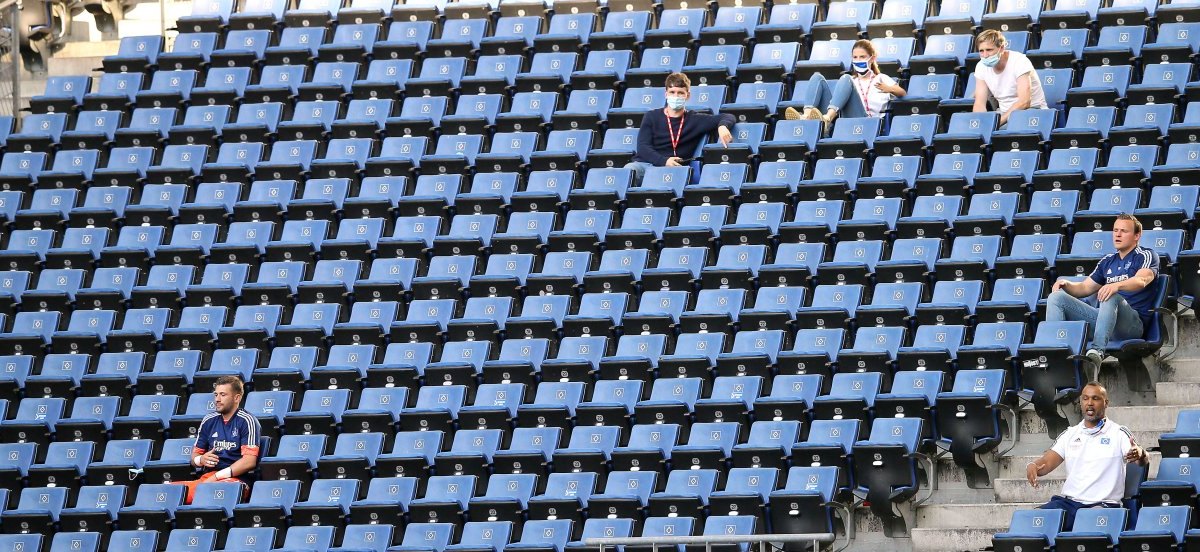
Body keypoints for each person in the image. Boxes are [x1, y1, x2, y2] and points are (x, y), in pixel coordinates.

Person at [1026, 382, 1148, 529]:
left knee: (1086, 528)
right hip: (1069, 504)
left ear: (1105, 403)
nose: (1089, 403)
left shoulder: (1119, 433)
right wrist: (1033, 466)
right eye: (1085, 398)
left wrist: (1140, 454)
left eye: (1095, 398)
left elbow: (1142, 460)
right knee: (1033, 522)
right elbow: (1046, 462)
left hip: (1103, 505)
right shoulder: (1070, 433)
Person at [1047, 214, 1160, 365]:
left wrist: (1116, 285)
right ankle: (1056, 353)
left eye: (1124, 231)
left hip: (1132, 326)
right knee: (1057, 298)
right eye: (1115, 230)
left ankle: (1097, 352)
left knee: (1111, 295)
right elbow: (1085, 288)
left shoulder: (1146, 255)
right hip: (1104, 323)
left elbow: (1142, 280)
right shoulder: (1107, 261)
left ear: (1137, 235)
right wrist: (1067, 284)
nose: (1118, 234)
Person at [626, 72, 735, 184]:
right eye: (672, 92)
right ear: (666, 94)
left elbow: (728, 116)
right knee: (629, 170)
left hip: (675, 169)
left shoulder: (695, 119)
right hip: (648, 165)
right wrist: (664, 161)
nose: (675, 96)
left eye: (680, 93)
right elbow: (643, 147)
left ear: (687, 95)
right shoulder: (651, 116)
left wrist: (722, 126)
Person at [784, 39, 907, 128]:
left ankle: (827, 119)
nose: (858, 60)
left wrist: (888, 88)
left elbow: (902, 92)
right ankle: (806, 117)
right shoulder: (852, 81)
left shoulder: (880, 78)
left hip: (867, 122)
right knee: (817, 77)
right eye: (855, 57)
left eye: (862, 57)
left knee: (845, 78)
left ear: (872, 58)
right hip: (843, 119)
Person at [179, 375, 261, 504]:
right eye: (216, 395)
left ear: (237, 398)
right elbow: (195, 456)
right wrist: (201, 459)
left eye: (223, 395)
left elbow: (249, 462)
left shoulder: (247, 421)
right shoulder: (208, 420)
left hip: (236, 480)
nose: (217, 399)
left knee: (205, 493)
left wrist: (217, 477)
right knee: (169, 492)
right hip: (207, 478)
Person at [972, 29, 1048, 127]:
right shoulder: (981, 66)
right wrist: (981, 124)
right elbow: (979, 103)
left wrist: (996, 123)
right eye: (981, 51)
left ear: (1002, 48)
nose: (985, 55)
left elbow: (1024, 102)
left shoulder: (1019, 61)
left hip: (1032, 111)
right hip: (1003, 113)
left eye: (989, 50)